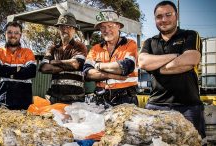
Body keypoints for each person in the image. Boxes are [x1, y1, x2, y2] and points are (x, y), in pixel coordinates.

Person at [138, 1, 206, 140]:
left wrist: (158, 68)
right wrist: (176, 56)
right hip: (155, 106)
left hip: (188, 107)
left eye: (168, 14)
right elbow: (143, 62)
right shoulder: (150, 42)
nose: (164, 20)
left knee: (193, 142)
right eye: (159, 16)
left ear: (177, 15)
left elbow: (191, 59)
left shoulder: (190, 35)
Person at [83, 10, 139, 107]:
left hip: (125, 100)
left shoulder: (130, 44)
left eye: (110, 26)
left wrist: (98, 65)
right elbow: (87, 73)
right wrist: (114, 75)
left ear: (118, 26)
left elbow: (125, 67)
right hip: (100, 100)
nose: (106, 30)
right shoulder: (95, 49)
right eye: (102, 27)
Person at [39, 12, 87, 104]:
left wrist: (53, 62)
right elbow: (44, 67)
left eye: (69, 26)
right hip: (54, 97)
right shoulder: (53, 48)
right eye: (62, 26)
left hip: (75, 99)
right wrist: (67, 65)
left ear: (74, 30)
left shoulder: (80, 46)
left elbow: (75, 64)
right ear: (58, 29)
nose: (65, 29)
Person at [0, 21, 36, 110]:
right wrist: (20, 69)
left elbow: (31, 72)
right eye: (10, 32)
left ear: (20, 35)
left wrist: (7, 71)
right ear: (5, 34)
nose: (13, 35)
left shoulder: (28, 52)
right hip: (1, 102)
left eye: (16, 33)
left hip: (24, 103)